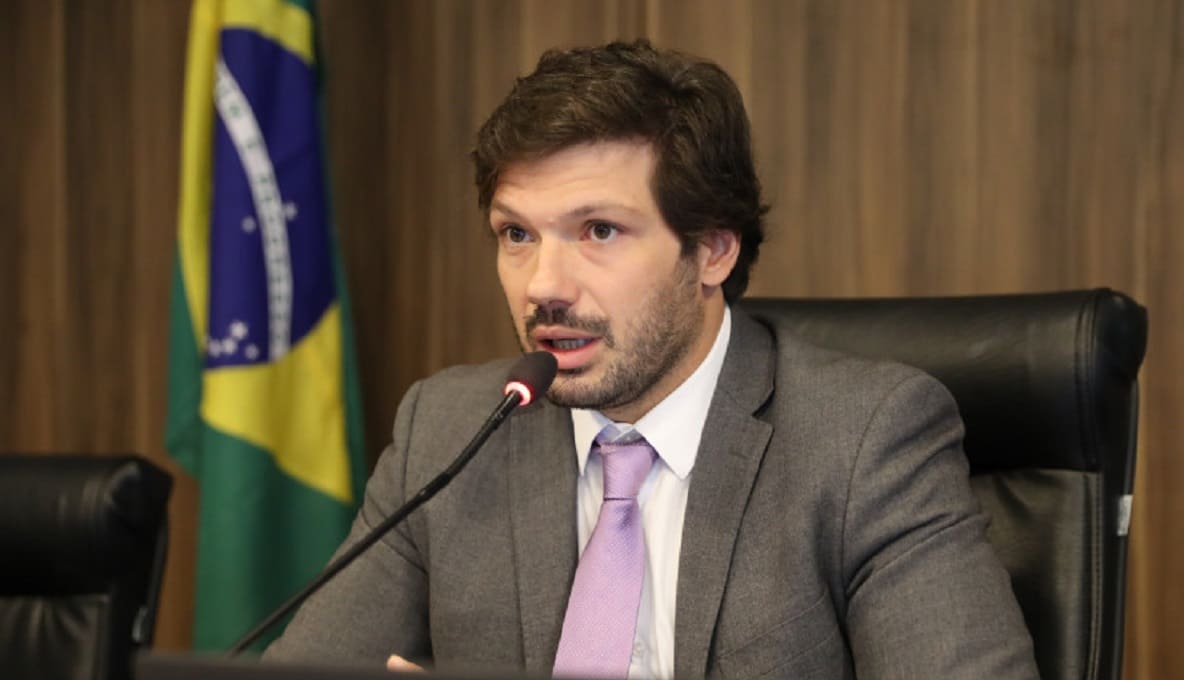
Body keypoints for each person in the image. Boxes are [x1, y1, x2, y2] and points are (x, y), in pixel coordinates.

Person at [265, 39, 1039, 679]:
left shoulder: (865, 440)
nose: (544, 286)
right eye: (517, 234)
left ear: (711, 251)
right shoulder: (449, 432)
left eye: (599, 231)